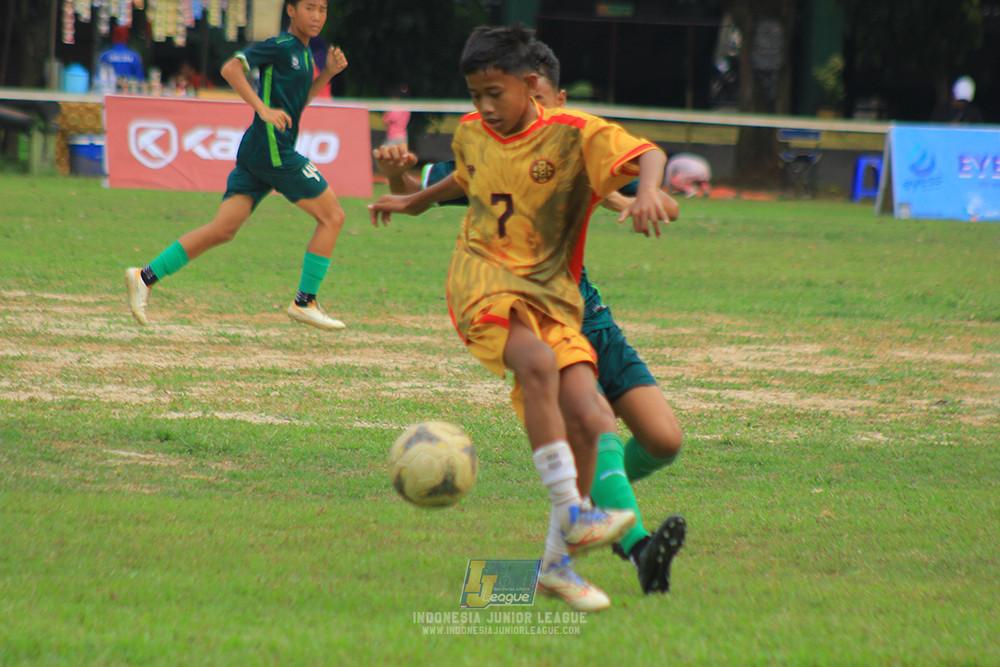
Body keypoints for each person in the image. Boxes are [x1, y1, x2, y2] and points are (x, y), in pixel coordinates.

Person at [369, 26, 679, 611]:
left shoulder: (574, 135)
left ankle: (557, 565)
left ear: (533, 87)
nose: (484, 106)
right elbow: (463, 182)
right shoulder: (471, 133)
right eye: (476, 94)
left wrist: (645, 193)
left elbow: (649, 155)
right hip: (483, 282)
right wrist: (404, 194)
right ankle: (591, 519)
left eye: (495, 92)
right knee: (536, 364)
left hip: (557, 300)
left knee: (593, 418)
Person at [125, 0, 349, 331]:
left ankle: (144, 276)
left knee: (223, 229)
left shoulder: (303, 53)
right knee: (333, 216)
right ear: (290, 10)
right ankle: (305, 301)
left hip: (259, 149)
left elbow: (298, 103)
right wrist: (262, 108)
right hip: (274, 149)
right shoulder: (278, 46)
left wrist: (328, 72)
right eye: (309, 8)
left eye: (322, 9)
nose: (317, 16)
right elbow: (231, 68)